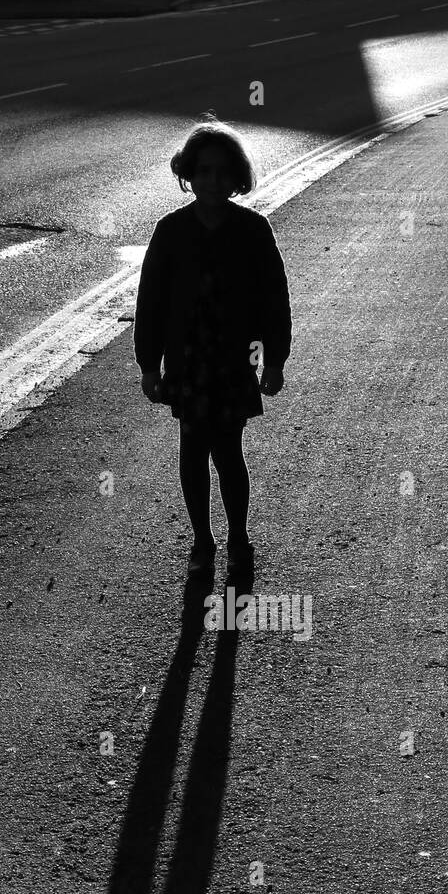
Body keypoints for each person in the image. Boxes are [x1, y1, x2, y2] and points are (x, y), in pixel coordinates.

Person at [134, 115, 292, 577]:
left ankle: (238, 533)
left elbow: (272, 298)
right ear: (188, 173)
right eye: (203, 171)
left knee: (228, 451)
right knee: (191, 449)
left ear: (236, 178)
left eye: (222, 172)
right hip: (187, 362)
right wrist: (149, 364)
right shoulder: (170, 231)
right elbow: (152, 301)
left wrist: (275, 360)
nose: (211, 180)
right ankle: (202, 537)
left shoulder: (253, 230)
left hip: (231, 361)